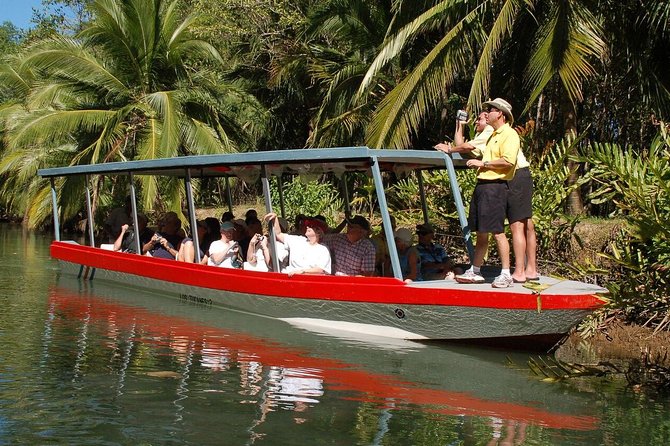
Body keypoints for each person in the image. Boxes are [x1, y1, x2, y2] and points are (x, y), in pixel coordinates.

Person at [454, 98, 519, 288]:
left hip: (495, 186)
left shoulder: (509, 134)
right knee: (481, 232)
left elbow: (508, 161)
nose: (487, 113)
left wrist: (483, 163)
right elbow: (468, 148)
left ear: (500, 113)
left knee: (497, 231)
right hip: (483, 185)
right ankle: (475, 270)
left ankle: (506, 273)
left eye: (490, 110)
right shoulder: (491, 135)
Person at [507, 146, 539, 283]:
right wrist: (459, 126)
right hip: (519, 176)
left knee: (518, 224)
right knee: (526, 222)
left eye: (480, 121)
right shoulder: (489, 132)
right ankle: (530, 269)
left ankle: (520, 272)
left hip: (515, 176)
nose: (476, 122)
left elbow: (467, 147)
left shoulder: (491, 131)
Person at [264, 212, 331, 276]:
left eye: (311, 226)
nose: (307, 227)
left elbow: (321, 270)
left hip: (309, 280)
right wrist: (275, 219)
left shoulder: (323, 249)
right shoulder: (297, 240)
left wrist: (303, 271)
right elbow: (278, 234)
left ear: (319, 232)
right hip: (290, 276)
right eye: (307, 225)